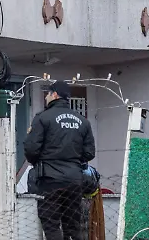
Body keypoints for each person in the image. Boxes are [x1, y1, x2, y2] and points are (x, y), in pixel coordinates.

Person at [24, 80, 96, 240]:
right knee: (73, 226)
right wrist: (74, 162)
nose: (46, 98)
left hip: (49, 180)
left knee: (51, 224)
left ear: (54, 94)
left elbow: (31, 148)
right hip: (74, 181)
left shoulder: (43, 118)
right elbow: (90, 152)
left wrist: (38, 163)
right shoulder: (82, 121)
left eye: (48, 94)